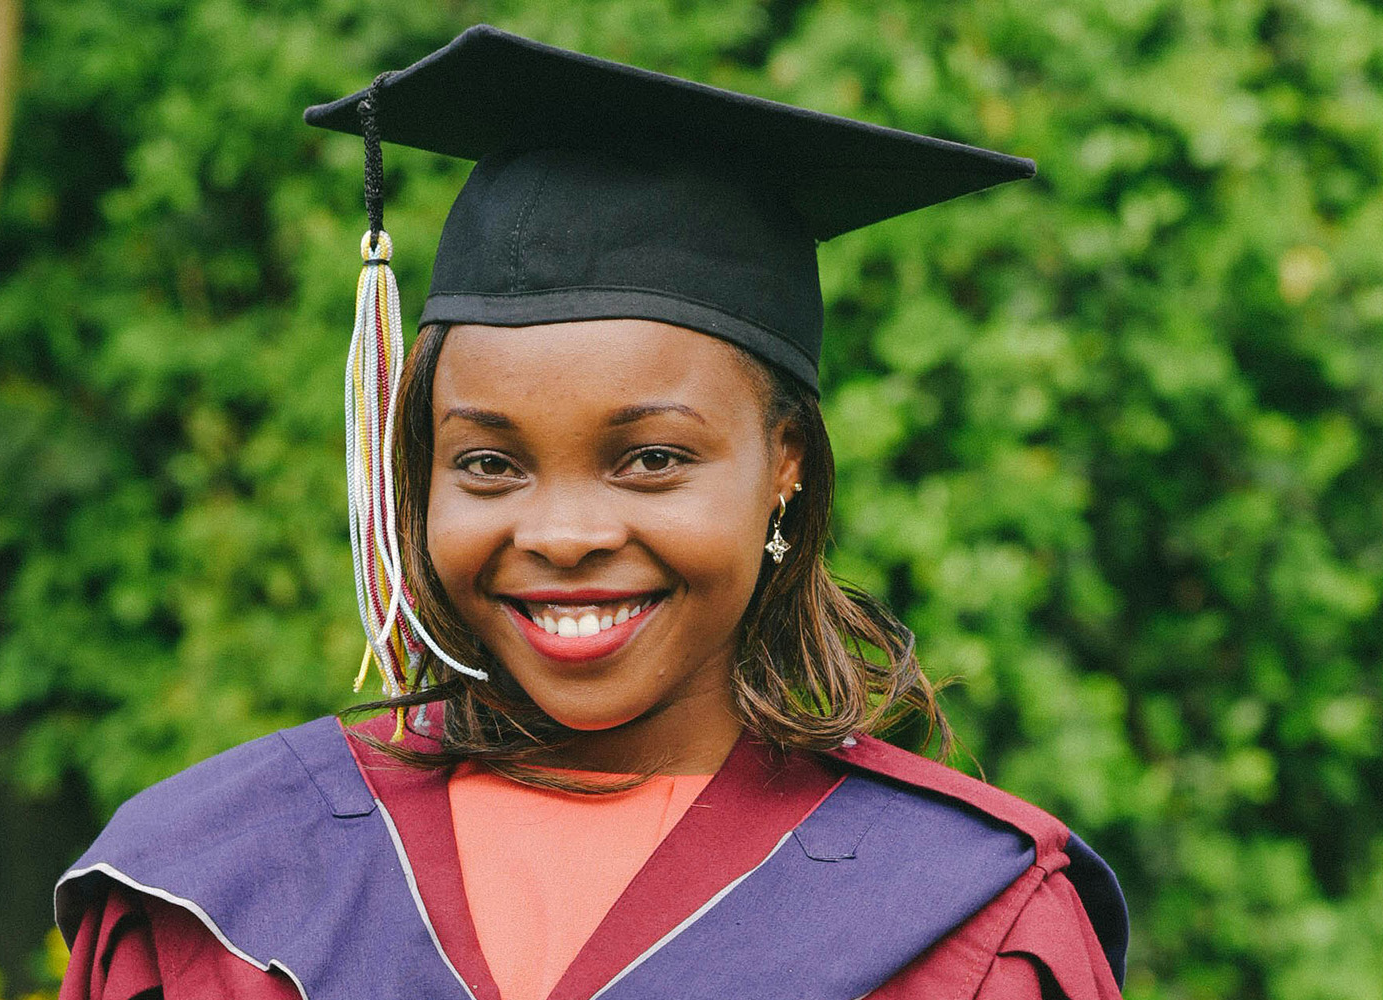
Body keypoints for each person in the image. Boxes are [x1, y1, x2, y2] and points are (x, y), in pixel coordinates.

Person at [55, 25, 1128, 1000]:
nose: (561, 533)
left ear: (784, 465)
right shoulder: (216, 890)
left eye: (651, 458)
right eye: (488, 463)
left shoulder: (966, 923)